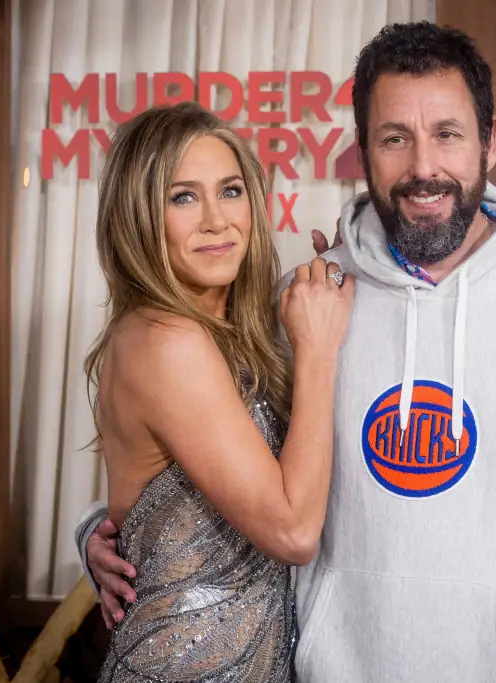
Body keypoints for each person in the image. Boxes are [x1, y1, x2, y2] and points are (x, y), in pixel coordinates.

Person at [79, 22, 496, 682]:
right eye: (395, 138)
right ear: (363, 151)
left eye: (448, 134)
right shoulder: (308, 303)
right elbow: (198, 457)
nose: (423, 167)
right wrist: (106, 531)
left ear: (489, 141)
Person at [81, 101, 354, 682]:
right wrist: (318, 348)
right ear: (138, 218)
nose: (216, 220)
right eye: (183, 198)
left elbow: (166, 509)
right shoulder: (167, 340)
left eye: (230, 191)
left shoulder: (220, 334)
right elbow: (293, 532)